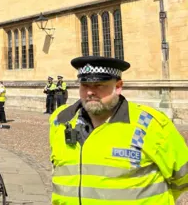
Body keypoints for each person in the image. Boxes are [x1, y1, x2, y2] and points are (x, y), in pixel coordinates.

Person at [49, 56, 188, 204]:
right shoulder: (60, 120)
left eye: (99, 85)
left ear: (119, 86)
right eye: (85, 85)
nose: (90, 92)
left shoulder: (150, 124)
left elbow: (182, 177)